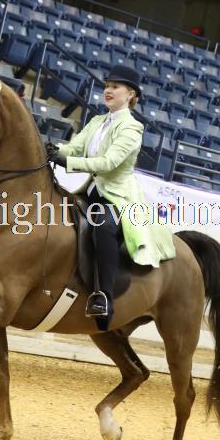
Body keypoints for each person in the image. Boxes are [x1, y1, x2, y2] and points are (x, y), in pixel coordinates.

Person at [47, 64, 175, 331]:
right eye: (107, 86)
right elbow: (74, 147)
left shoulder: (132, 128)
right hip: (90, 191)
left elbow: (108, 163)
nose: (108, 90)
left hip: (117, 198)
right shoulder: (97, 121)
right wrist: (51, 149)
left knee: (103, 227)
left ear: (131, 94)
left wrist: (67, 161)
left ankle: (103, 297)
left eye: (115, 87)